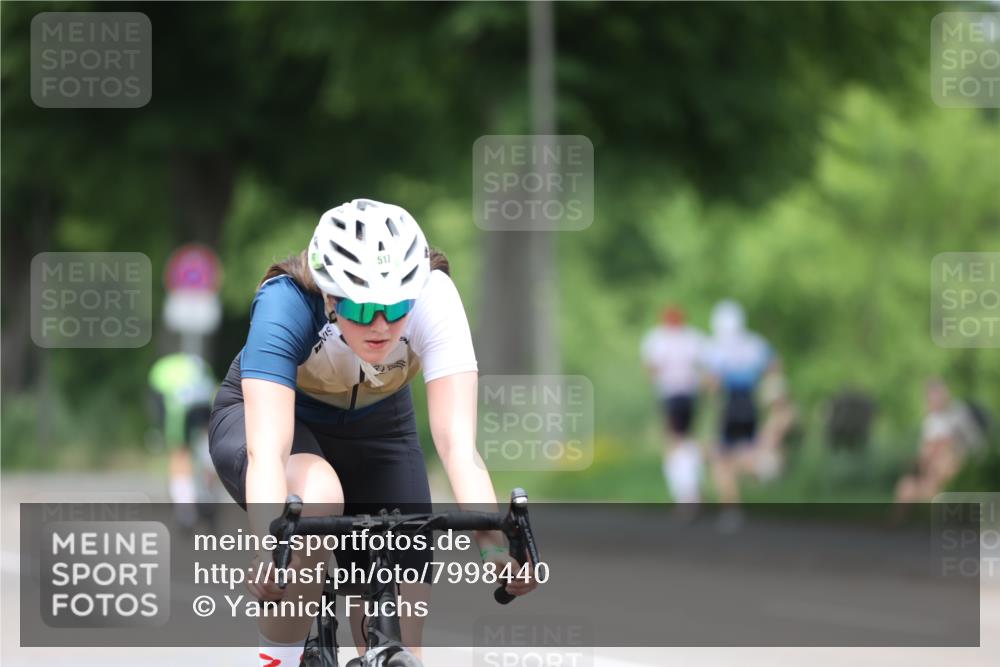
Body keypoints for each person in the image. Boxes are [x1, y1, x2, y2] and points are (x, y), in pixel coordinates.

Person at [209, 198, 537, 667]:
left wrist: (494, 550)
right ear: (329, 296)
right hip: (272, 423)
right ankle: (276, 655)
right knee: (318, 493)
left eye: (396, 307)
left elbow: (458, 447)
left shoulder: (435, 297)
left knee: (400, 632)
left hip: (380, 430)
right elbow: (268, 452)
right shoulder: (285, 302)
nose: (382, 326)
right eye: (362, 310)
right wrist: (269, 549)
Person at [701, 300, 772, 529]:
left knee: (722, 460)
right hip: (751, 403)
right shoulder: (755, 343)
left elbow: (712, 382)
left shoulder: (717, 347)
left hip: (730, 405)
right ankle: (760, 466)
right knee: (746, 450)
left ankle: (731, 509)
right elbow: (774, 366)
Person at [640, 305, 706, 507]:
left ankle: (685, 492)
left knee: (673, 442)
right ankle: (692, 489)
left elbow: (651, 368)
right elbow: (705, 364)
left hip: (671, 394)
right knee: (688, 440)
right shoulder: (693, 337)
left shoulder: (658, 338)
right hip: (690, 394)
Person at [148, 352, 218, 528]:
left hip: (175, 403)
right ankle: (207, 492)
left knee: (179, 451)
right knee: (207, 443)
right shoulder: (200, 368)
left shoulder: (160, 372)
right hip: (203, 399)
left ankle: (185, 505)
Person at [895, 377, 985, 505]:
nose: (933, 400)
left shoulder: (959, 413)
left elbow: (974, 445)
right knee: (907, 484)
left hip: (958, 460)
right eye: (931, 397)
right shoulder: (931, 418)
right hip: (933, 463)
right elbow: (926, 446)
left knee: (938, 471)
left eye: (937, 395)